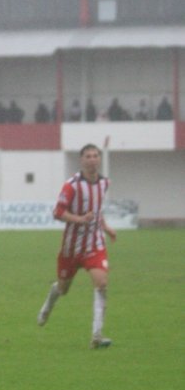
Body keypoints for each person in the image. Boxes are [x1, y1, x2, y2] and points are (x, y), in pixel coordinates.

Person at [37, 143, 117, 349]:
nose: (92, 159)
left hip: (95, 244)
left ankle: (96, 336)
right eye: (88, 156)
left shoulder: (104, 183)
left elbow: (98, 210)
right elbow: (57, 212)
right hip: (71, 249)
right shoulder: (71, 185)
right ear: (81, 160)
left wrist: (106, 227)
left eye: (95, 156)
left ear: (99, 159)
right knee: (63, 289)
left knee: (101, 283)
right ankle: (48, 304)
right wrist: (80, 219)